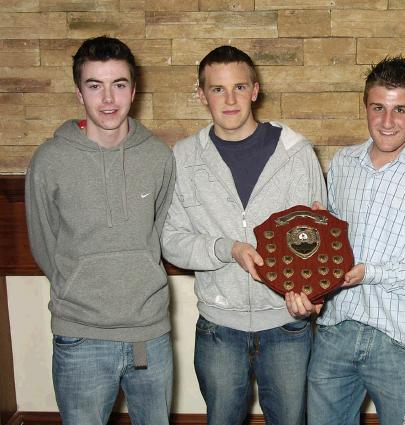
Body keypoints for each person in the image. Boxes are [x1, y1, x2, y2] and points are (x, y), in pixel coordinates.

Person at [161, 45, 326, 425]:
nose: (230, 99)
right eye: (218, 89)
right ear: (202, 95)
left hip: (286, 324)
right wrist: (226, 249)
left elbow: (316, 240)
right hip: (219, 328)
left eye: (239, 87)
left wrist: (314, 295)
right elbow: (172, 239)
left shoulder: (296, 153)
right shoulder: (184, 158)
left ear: (255, 90)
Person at [286, 56, 405, 425]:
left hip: (402, 340)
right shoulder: (343, 163)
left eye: (400, 109)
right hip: (336, 330)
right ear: (365, 107)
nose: (387, 121)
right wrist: (311, 246)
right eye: (378, 107)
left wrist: (370, 272)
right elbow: (324, 251)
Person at [25, 36, 176, 425]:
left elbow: (156, 235)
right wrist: (80, 285)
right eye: (95, 85)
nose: (108, 99)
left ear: (134, 90)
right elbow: (44, 244)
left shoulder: (159, 157)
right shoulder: (49, 161)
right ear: (79, 93)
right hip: (80, 336)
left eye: (119, 84)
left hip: (149, 334)